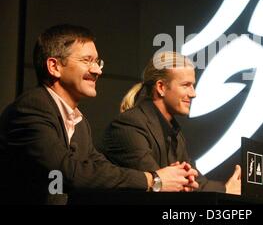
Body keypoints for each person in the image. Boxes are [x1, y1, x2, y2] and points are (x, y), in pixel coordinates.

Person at [0, 25, 198, 204]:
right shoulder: (30, 108)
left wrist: (172, 177)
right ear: (54, 66)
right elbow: (66, 173)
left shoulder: (79, 122)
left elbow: (104, 168)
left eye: (97, 62)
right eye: (87, 61)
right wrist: (153, 180)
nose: (97, 70)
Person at [101, 51, 243, 194]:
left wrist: (228, 189)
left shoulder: (174, 131)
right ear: (161, 87)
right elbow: (161, 182)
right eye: (186, 85)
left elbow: (197, 183)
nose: (193, 94)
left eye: (192, 85)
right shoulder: (129, 125)